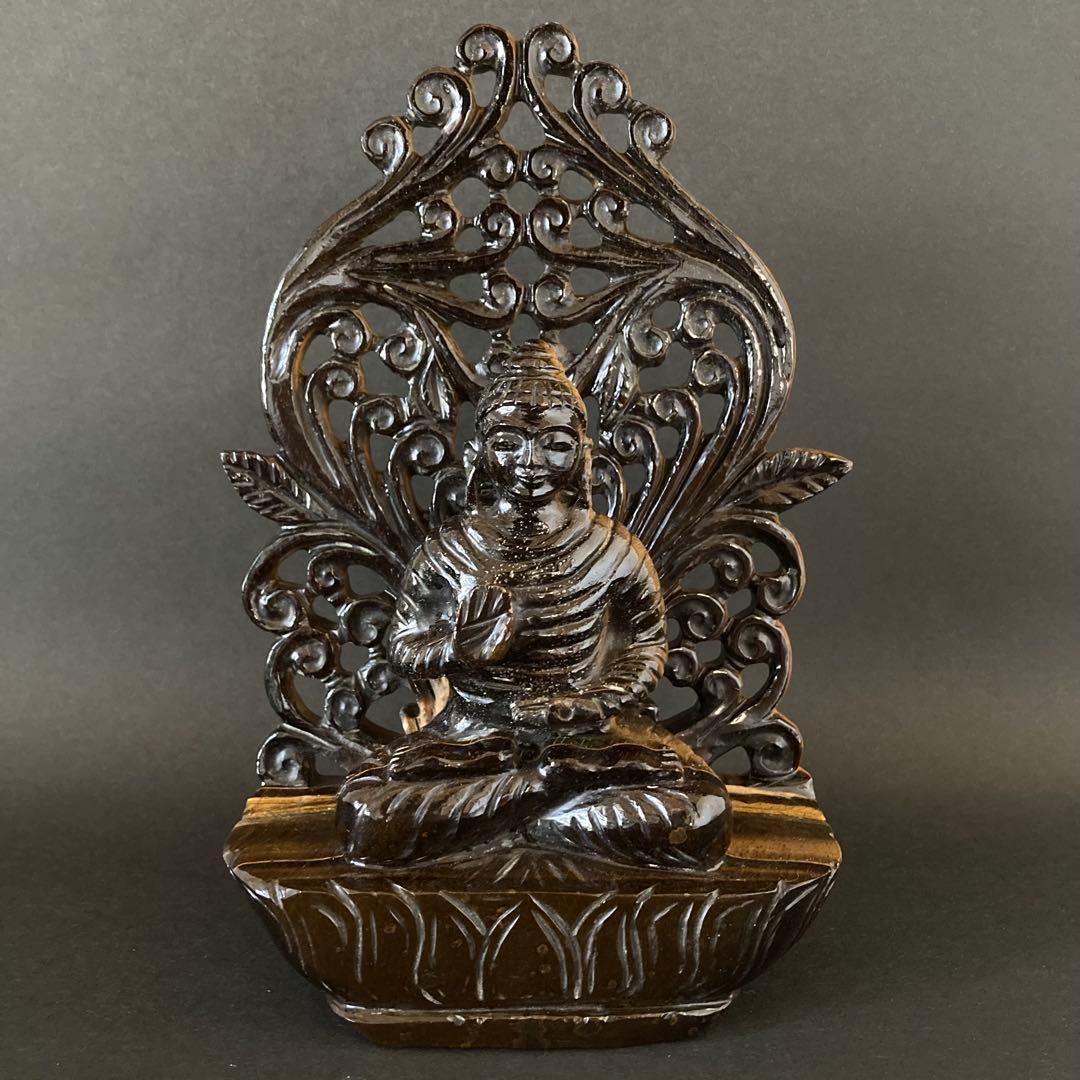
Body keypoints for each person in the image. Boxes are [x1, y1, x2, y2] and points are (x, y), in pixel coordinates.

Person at [337, 340, 730, 869]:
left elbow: (644, 643)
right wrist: (456, 649)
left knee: (699, 813)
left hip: (589, 739)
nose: (531, 462)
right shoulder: (451, 551)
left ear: (582, 453)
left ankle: (513, 811)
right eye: (508, 443)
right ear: (480, 455)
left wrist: (597, 700)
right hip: (473, 736)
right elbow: (404, 645)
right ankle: (547, 797)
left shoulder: (613, 550)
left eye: (555, 444)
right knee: (367, 815)